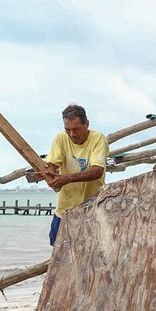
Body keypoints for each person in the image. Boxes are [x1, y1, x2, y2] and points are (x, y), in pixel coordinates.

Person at [42, 104, 108, 246]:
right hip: (63, 211)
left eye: (76, 129)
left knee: (91, 252)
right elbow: (51, 165)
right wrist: (47, 173)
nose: (72, 134)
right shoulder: (60, 138)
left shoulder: (98, 139)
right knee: (57, 253)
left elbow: (97, 171)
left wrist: (67, 178)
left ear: (87, 124)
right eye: (68, 130)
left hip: (92, 211)